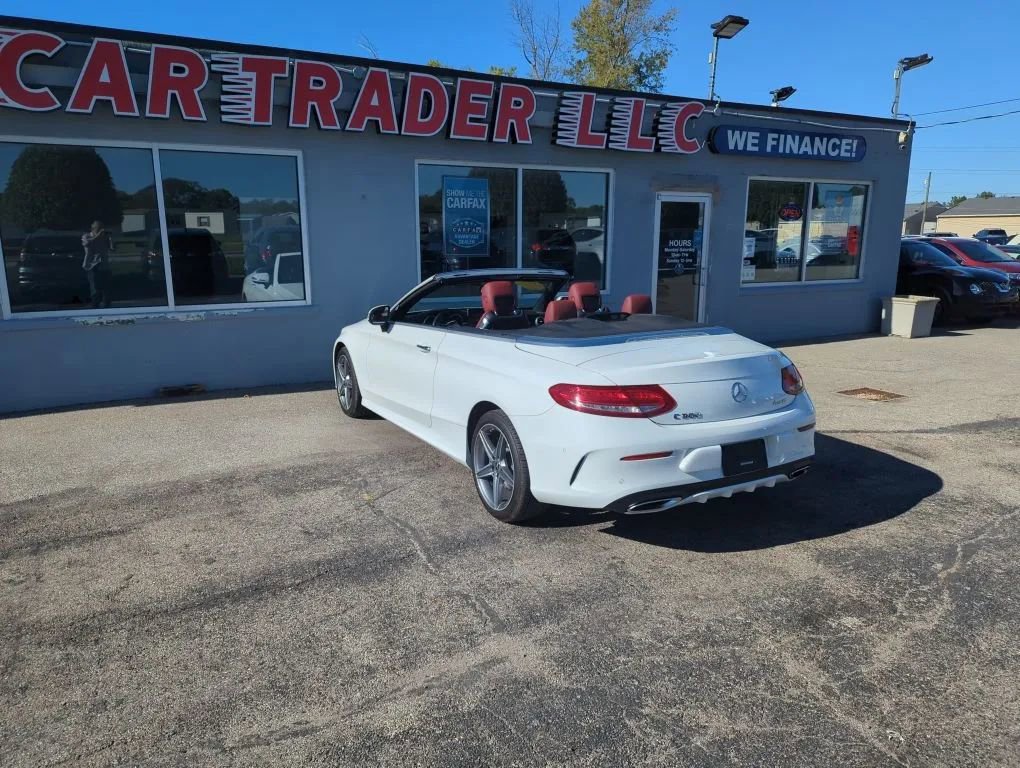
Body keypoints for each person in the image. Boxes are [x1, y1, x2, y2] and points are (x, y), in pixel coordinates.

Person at [82, 220, 114, 308]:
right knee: (95, 287)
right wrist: (98, 235)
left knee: (107, 287)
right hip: (92, 265)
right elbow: (88, 243)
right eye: (99, 228)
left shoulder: (104, 237)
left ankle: (107, 303)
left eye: (102, 228)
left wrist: (110, 239)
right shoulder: (86, 236)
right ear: (93, 229)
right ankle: (95, 304)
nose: (101, 230)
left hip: (104, 264)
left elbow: (112, 249)